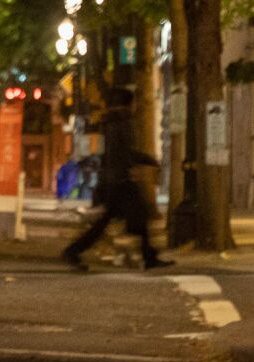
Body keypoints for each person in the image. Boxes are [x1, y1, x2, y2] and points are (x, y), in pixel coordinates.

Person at [61, 87, 171, 271]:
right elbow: (125, 151)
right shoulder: (122, 122)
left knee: (115, 220)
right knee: (135, 217)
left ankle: (74, 251)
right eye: (134, 102)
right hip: (121, 180)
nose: (136, 106)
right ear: (129, 103)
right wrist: (148, 160)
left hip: (113, 178)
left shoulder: (110, 122)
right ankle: (73, 251)